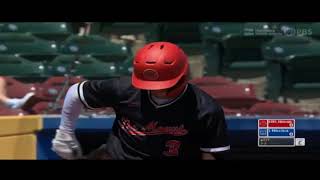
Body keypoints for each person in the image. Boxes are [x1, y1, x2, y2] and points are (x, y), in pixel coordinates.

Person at [52, 42, 230, 160]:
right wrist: (64, 133)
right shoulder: (124, 89)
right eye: (149, 84)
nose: (155, 90)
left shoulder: (205, 109)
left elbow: (210, 155)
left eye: (162, 85)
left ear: (182, 78)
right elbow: (75, 92)